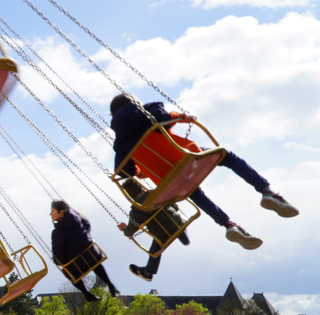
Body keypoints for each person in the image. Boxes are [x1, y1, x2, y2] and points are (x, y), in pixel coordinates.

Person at [109, 94, 298, 250]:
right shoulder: (147, 110)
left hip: (165, 178)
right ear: (134, 103)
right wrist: (182, 116)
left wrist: (142, 169)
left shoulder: (119, 143)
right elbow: (165, 118)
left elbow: (125, 172)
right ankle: (266, 191)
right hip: (185, 157)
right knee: (228, 156)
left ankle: (228, 225)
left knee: (194, 192)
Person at [117, 178, 190, 281]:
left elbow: (129, 232)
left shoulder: (136, 210)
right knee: (174, 219)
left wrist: (123, 228)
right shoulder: (155, 192)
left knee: (155, 248)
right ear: (141, 187)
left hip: (163, 234)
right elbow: (174, 205)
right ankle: (182, 234)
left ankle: (148, 272)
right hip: (178, 221)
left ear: (129, 197)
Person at [50, 200, 119, 302]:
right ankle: (111, 285)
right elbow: (87, 224)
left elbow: (59, 254)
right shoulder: (77, 217)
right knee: (93, 260)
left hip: (76, 267)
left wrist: (57, 260)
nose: (50, 214)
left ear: (62, 211)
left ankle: (86, 294)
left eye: (53, 211)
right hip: (92, 255)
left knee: (68, 272)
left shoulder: (57, 233)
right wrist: (86, 237)